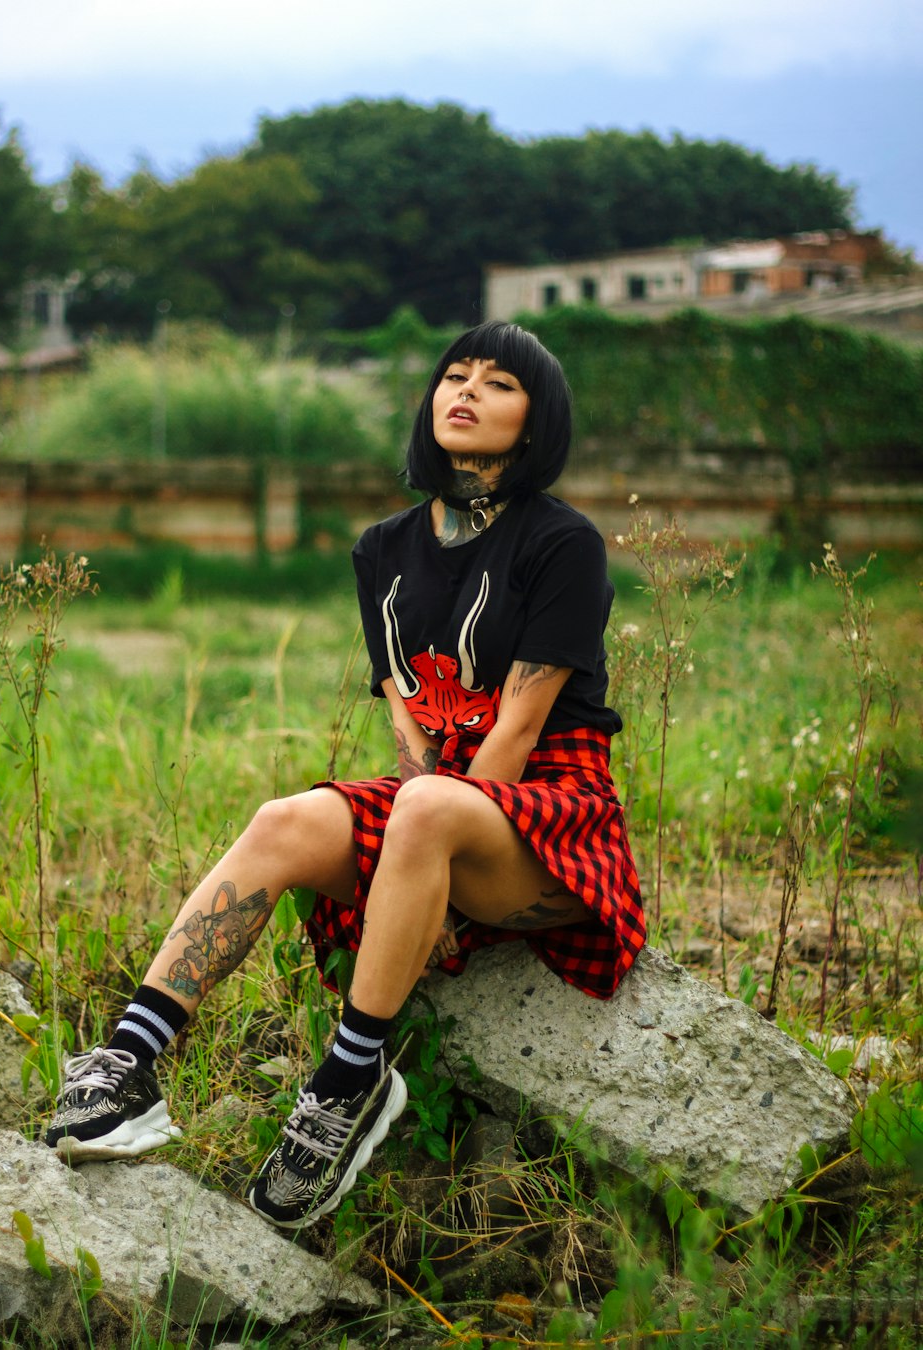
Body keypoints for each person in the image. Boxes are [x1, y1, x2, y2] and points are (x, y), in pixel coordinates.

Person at [45, 320, 645, 1229]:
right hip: (439, 805)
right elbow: (410, 722)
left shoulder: (562, 544)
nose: (467, 391)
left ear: (537, 421)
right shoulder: (383, 549)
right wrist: (416, 829)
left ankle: (347, 1084)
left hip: (548, 815)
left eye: (499, 383)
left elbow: (517, 730)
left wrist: (433, 868)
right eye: (454, 374)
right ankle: (129, 1062)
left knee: (429, 806)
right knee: (283, 819)